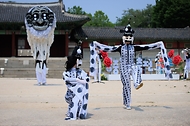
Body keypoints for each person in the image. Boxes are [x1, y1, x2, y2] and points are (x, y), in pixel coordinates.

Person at [90, 24, 172, 110]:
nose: (128, 39)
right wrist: (96, 44)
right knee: (127, 85)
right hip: (124, 67)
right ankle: (127, 103)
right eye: (126, 36)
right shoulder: (120, 47)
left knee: (136, 68)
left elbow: (147, 47)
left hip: (132, 65)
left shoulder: (134, 47)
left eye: (130, 36)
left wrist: (159, 44)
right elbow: (108, 48)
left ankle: (137, 83)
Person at [63, 47, 90, 120]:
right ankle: (71, 111)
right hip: (70, 93)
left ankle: (78, 111)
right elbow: (67, 79)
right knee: (73, 100)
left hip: (79, 93)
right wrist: (77, 80)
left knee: (81, 89)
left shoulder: (81, 71)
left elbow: (87, 79)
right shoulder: (67, 72)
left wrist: (84, 80)